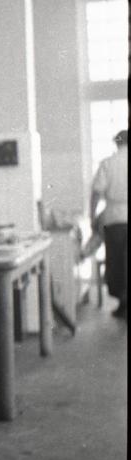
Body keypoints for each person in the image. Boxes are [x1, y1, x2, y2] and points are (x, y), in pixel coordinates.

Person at [90, 129, 128, 319]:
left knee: (117, 263)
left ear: (117, 143)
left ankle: (123, 304)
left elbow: (96, 192)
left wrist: (92, 216)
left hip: (115, 220)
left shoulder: (108, 163)